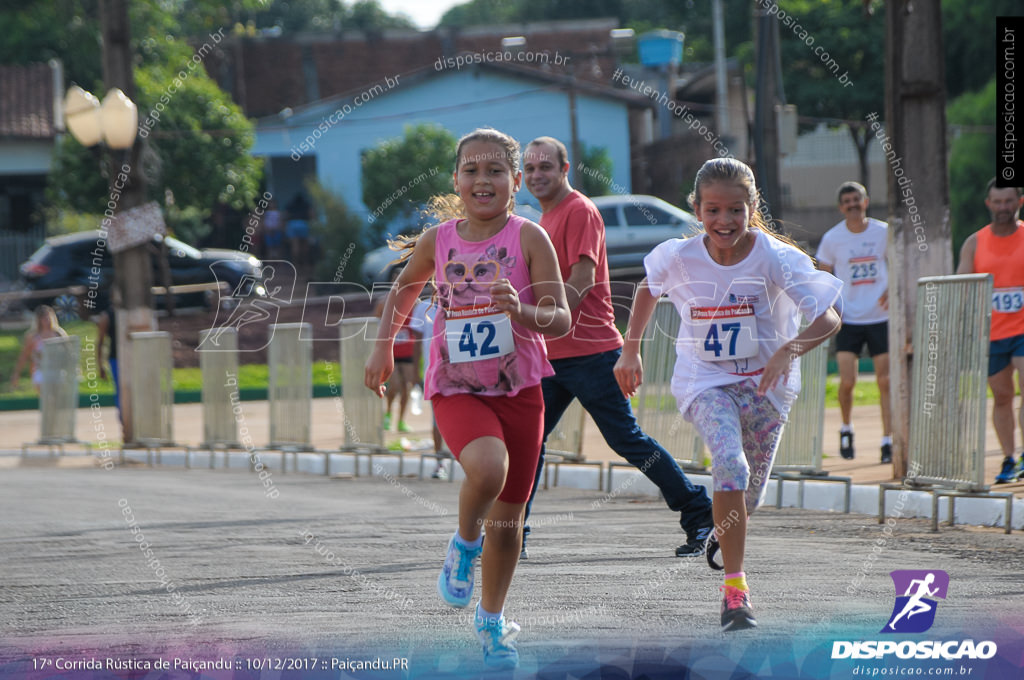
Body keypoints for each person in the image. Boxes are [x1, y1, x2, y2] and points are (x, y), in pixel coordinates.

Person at [364, 128, 570, 668]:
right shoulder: (440, 240)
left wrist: (522, 311)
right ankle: (462, 543)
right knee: (487, 468)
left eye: (496, 170)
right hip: (456, 386)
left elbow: (561, 316)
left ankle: (492, 621)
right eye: (472, 171)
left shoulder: (530, 238)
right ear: (456, 181)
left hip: (521, 389)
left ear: (516, 181)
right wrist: (384, 347)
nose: (484, 180)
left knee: (509, 521)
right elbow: (404, 289)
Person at [613, 158, 841, 631]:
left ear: (753, 208)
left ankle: (726, 533)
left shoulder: (776, 258)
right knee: (730, 466)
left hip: (767, 387)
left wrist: (787, 351)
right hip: (705, 381)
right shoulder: (678, 256)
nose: (724, 221)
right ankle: (735, 593)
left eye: (736, 210)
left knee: (746, 498)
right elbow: (646, 291)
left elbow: (829, 317)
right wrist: (630, 350)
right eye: (713, 210)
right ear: (696, 209)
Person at [520, 136, 714, 559]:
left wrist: (553, 319)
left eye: (545, 167)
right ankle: (512, 535)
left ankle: (700, 515)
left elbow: (583, 277)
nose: (537, 175)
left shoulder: (578, 211)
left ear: (564, 169)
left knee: (627, 441)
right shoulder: (542, 220)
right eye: (530, 168)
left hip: (591, 352)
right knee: (528, 444)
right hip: (551, 357)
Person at [815, 181, 892, 463]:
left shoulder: (883, 232)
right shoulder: (833, 238)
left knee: (885, 380)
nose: (852, 205)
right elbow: (823, 274)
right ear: (840, 207)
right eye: (847, 201)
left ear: (866, 202)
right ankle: (846, 429)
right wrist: (831, 306)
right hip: (849, 319)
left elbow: (898, 261)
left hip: (880, 316)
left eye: (856, 200)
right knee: (847, 381)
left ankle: (888, 440)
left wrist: (891, 288)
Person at [956, 179, 1024, 484]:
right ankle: (1010, 458)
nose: (1003, 208)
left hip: (1023, 329)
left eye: (1008, 201)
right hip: (992, 332)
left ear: (1019, 202)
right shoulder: (975, 242)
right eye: (997, 202)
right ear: (988, 204)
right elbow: (962, 287)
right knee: (1001, 398)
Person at [374, 296, 421, 433]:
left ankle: (401, 421)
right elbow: (375, 324)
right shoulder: (384, 303)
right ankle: (388, 414)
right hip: (391, 352)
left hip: (408, 351)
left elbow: (418, 326)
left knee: (407, 387)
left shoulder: (415, 304)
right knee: (394, 385)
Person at [10, 305, 68, 393]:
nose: (47, 320)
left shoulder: (58, 333)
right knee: (46, 399)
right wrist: (16, 374)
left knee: (57, 399)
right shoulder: (33, 336)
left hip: (57, 370)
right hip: (41, 371)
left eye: (48, 317)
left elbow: (68, 351)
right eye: (44, 318)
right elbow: (24, 355)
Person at [95, 299, 122, 424]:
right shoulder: (107, 316)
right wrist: (100, 365)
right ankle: (124, 420)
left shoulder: (132, 313)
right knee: (121, 390)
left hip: (134, 357)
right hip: (116, 358)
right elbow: (100, 342)